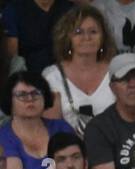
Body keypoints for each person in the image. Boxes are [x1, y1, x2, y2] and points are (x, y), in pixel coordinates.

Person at [42, 4, 116, 136]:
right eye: (78, 32)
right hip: (68, 151)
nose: (86, 37)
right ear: (67, 38)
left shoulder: (116, 70)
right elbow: (51, 130)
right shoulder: (51, 77)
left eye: (93, 32)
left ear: (103, 37)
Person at [1, 72, 76, 169]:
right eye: (22, 95)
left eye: (36, 93)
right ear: (10, 100)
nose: (30, 99)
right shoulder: (3, 136)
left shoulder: (61, 128)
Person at [3, 0, 77, 77]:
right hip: (30, 78)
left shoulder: (69, 8)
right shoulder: (15, 9)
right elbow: (13, 57)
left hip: (64, 74)